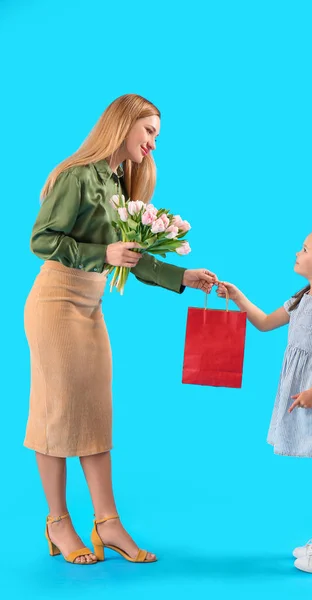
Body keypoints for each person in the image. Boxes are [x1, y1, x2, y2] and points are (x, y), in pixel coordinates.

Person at [24, 93, 218, 565]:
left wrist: (183, 278)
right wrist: (100, 256)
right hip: (55, 300)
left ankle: (107, 523)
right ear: (123, 124)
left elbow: (127, 257)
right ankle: (58, 523)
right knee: (55, 411)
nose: (153, 142)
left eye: (156, 135)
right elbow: (41, 239)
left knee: (95, 411)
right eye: (149, 131)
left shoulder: (117, 183)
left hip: (90, 304)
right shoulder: (76, 176)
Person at [217, 228, 312, 574]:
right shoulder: (302, 298)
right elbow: (266, 322)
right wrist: (238, 297)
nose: (297, 253)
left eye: (304, 249)